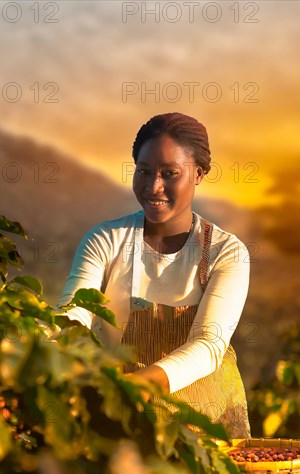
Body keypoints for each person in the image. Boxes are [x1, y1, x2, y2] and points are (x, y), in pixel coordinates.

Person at [58, 112, 251, 438]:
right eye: (144, 172)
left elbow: (209, 345)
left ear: (199, 174)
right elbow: (72, 316)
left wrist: (134, 385)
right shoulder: (107, 240)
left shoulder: (225, 252)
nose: (153, 186)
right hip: (126, 420)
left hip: (208, 432)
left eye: (169, 173)